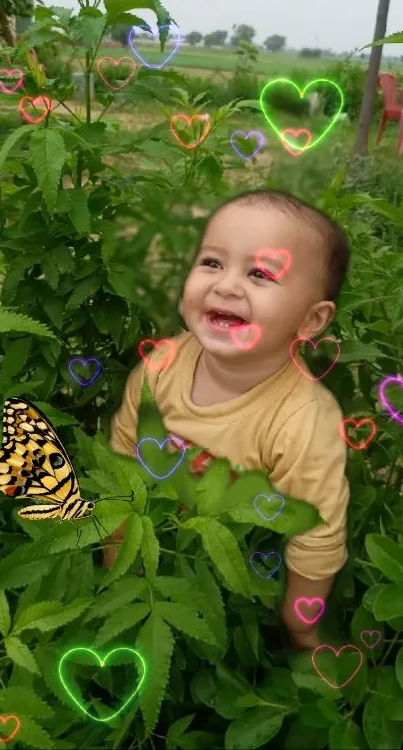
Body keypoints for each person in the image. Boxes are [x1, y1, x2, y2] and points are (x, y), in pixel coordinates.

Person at [105, 188, 350, 652]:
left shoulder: (304, 420)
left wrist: (299, 623)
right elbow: (123, 456)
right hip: (156, 538)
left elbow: (317, 532)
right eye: (212, 263)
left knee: (231, 650)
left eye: (260, 273)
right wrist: (118, 558)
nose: (226, 286)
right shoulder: (162, 367)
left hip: (237, 565)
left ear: (311, 319)